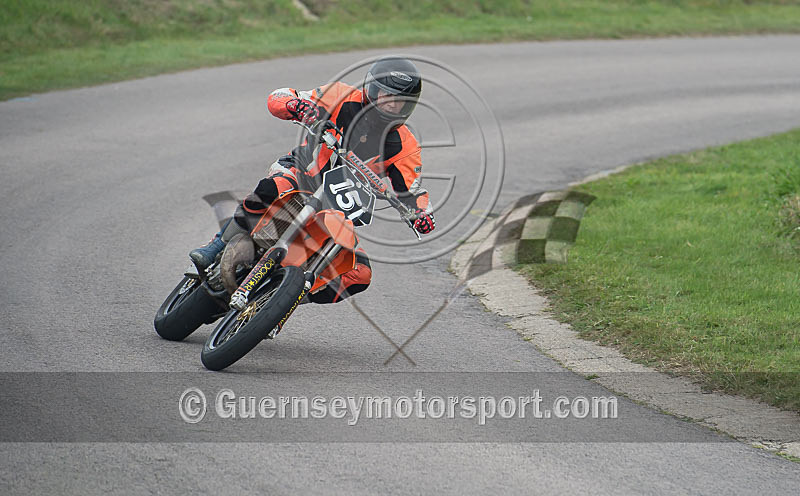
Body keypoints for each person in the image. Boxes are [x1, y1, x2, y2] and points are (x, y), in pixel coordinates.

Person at [189, 57, 436, 304]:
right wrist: (296, 105)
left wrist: (421, 213)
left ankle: (281, 301)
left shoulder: (406, 146)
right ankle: (214, 249)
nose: (392, 105)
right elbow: (281, 96)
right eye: (386, 95)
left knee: (360, 274)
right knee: (270, 188)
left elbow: (412, 190)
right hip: (301, 173)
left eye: (401, 101)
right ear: (371, 89)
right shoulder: (340, 95)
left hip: (337, 210)